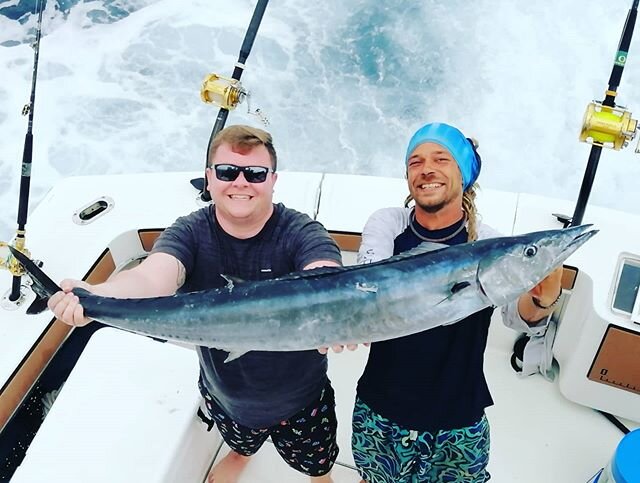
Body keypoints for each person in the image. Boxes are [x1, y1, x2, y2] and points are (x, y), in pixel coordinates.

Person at [48, 125, 342, 483]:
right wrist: (98, 294)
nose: (241, 182)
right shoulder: (189, 231)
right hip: (225, 394)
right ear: (209, 177)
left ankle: (320, 477)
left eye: (255, 173)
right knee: (239, 439)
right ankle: (240, 453)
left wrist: (340, 309)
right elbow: (151, 278)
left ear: (273, 180)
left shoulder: (300, 231)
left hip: (302, 400)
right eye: (227, 171)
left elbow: (325, 274)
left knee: (318, 463)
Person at [349, 122, 563, 483]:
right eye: (415, 162)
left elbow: (517, 316)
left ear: (463, 174)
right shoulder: (389, 223)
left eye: (441, 159)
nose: (426, 168)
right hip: (381, 404)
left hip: (460, 413)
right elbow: (367, 283)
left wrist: (543, 299)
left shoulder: (491, 243)